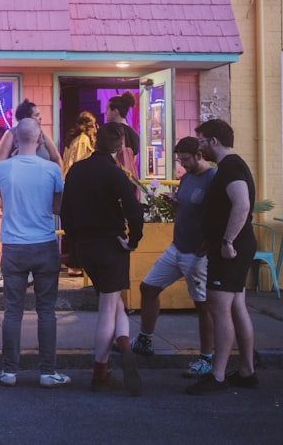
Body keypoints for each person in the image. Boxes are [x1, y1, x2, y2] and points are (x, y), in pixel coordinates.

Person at [60, 122, 144, 396]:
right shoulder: (116, 174)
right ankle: (100, 372)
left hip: (86, 247)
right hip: (111, 246)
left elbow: (65, 211)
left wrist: (75, 240)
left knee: (114, 299)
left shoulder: (77, 170)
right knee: (108, 307)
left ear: (95, 142)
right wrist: (132, 240)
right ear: (119, 147)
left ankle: (124, 343)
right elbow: (134, 211)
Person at [0, 118, 70, 388]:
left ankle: (9, 371)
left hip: (13, 246)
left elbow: (4, 201)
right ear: (40, 139)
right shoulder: (51, 170)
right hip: (44, 244)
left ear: (14, 138)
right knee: (46, 311)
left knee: (13, 311)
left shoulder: (2, 169)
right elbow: (58, 207)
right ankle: (48, 372)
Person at [131, 137, 217, 378]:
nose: (183, 164)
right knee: (148, 287)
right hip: (177, 247)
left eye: (186, 159)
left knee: (203, 305)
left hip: (197, 252)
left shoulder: (212, 180)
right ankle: (145, 340)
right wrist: (175, 202)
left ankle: (206, 358)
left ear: (199, 155)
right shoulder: (187, 177)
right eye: (180, 159)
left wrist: (206, 246)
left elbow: (217, 216)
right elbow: (186, 208)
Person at [186, 119, 259, 395]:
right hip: (230, 246)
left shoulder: (231, 167)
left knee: (219, 308)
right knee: (237, 306)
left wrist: (227, 241)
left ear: (213, 141)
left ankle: (217, 376)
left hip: (232, 249)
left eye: (201, 141)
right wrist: (212, 240)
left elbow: (242, 204)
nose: (200, 146)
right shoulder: (229, 167)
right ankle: (247, 371)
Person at [0, 99, 62, 292]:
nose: (40, 117)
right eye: (36, 114)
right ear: (26, 118)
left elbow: (56, 157)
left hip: (41, 188)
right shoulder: (12, 134)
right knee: (15, 225)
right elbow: (0, 158)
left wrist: (60, 180)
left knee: (38, 224)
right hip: (17, 188)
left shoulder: (42, 135)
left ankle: (33, 270)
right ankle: (11, 274)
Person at [59, 111, 97, 277]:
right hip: (79, 187)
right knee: (80, 227)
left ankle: (73, 262)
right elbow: (80, 164)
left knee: (72, 226)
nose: (96, 128)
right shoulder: (83, 140)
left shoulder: (73, 139)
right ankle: (77, 264)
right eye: (94, 125)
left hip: (69, 185)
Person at [107, 92, 140, 176]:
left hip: (113, 177)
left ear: (115, 111)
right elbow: (133, 160)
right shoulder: (134, 134)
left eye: (107, 109)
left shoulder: (110, 131)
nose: (105, 112)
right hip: (129, 179)